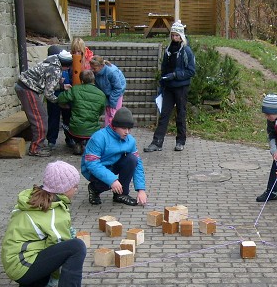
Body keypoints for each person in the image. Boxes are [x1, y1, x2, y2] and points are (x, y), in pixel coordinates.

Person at [1, 161, 96, 287]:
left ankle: (34, 286)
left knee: (56, 246)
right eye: (74, 186)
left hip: (14, 260)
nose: (76, 190)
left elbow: (46, 245)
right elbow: (59, 249)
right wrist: (57, 278)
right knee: (77, 247)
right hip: (22, 266)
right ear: (64, 189)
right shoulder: (54, 212)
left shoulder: (34, 199)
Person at [144, 20, 196, 153]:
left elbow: (191, 71)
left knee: (181, 114)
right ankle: (157, 142)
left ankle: (180, 141)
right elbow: (164, 67)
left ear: (181, 36)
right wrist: (163, 80)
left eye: (177, 35)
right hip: (168, 86)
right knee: (164, 114)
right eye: (173, 35)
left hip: (181, 87)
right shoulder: (168, 49)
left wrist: (175, 75)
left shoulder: (186, 51)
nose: (174, 38)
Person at [82, 107, 147, 206]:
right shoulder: (99, 137)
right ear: (115, 126)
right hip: (93, 170)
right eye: (124, 128)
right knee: (107, 182)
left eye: (129, 129)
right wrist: (112, 180)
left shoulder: (130, 140)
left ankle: (120, 194)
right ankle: (94, 189)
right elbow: (92, 163)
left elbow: (138, 164)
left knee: (132, 159)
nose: (127, 132)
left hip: (112, 166)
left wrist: (141, 189)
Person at [15, 50, 73, 156]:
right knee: (40, 119)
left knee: (40, 117)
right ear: (66, 65)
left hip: (25, 86)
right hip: (28, 88)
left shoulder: (54, 59)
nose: (68, 69)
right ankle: (35, 148)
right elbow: (48, 94)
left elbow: (47, 81)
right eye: (68, 67)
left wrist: (61, 86)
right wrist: (59, 102)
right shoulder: (56, 70)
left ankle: (38, 145)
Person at [57, 70, 107, 155]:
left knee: (65, 124)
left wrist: (67, 104)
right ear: (93, 80)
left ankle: (77, 142)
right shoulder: (101, 94)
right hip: (93, 129)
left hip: (75, 129)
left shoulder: (75, 89)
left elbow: (60, 99)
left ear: (82, 80)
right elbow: (100, 111)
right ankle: (87, 144)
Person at [45, 46, 74, 151]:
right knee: (53, 118)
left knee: (67, 118)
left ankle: (69, 138)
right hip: (53, 96)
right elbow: (48, 85)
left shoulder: (66, 65)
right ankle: (51, 140)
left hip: (66, 95)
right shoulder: (50, 66)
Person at [89, 55, 126, 127]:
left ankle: (115, 131)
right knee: (108, 114)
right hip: (107, 91)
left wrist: (112, 103)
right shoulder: (96, 73)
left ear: (101, 66)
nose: (92, 70)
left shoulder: (111, 72)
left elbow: (117, 88)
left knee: (114, 114)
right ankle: (108, 130)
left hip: (117, 92)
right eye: (91, 68)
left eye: (94, 68)